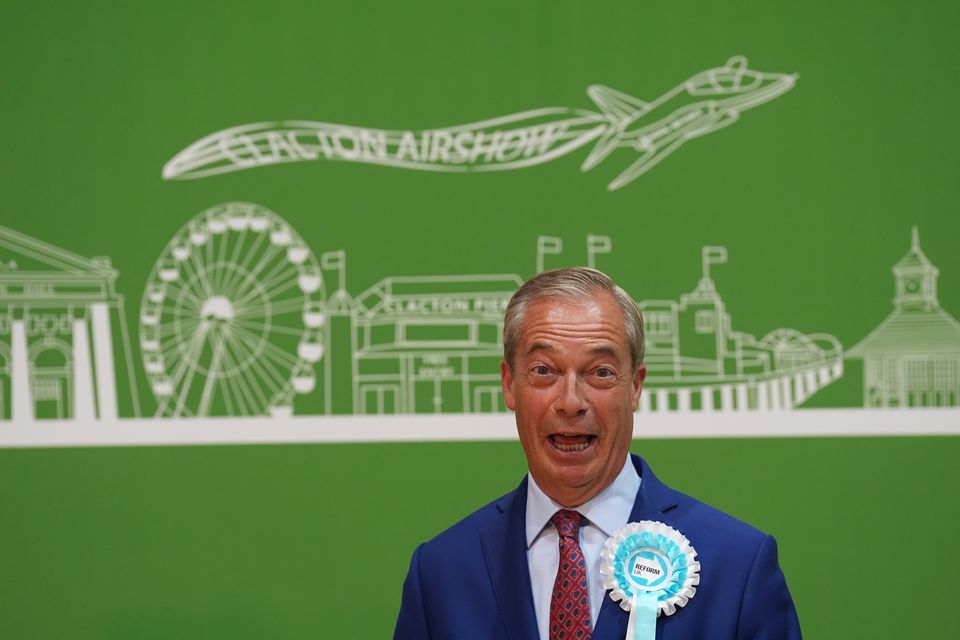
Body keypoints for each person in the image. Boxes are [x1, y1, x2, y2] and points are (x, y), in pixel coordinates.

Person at [394, 267, 801, 640]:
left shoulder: (737, 566)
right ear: (509, 384)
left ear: (635, 386)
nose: (571, 402)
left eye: (600, 372)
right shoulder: (440, 573)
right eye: (544, 371)